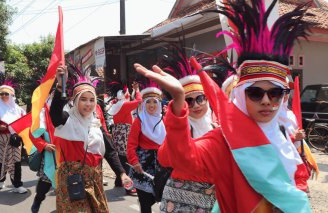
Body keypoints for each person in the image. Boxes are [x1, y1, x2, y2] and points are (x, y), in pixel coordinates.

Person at [133, 0, 313, 212]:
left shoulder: (281, 132)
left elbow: (299, 176)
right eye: (255, 93)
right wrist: (179, 103)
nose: (266, 101)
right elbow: (183, 159)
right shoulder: (224, 140)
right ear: (240, 94)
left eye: (275, 93)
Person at [158, 48, 216, 212]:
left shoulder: (216, 126)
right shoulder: (179, 127)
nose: (196, 105)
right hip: (181, 200)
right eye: (189, 101)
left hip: (213, 199)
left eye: (200, 98)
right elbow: (164, 159)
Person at [50, 64, 109, 212]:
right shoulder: (66, 121)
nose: (88, 104)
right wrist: (60, 85)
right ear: (75, 101)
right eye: (83, 99)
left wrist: (121, 173)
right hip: (72, 179)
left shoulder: (95, 122)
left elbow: (110, 150)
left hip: (94, 179)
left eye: (91, 100)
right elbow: (55, 115)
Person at [126, 85, 165, 213]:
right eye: (148, 102)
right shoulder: (139, 121)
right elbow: (131, 144)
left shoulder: (164, 121)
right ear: (144, 103)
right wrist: (134, 161)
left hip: (162, 165)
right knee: (145, 201)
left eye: (155, 101)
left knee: (161, 197)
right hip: (142, 165)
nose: (151, 105)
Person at [0, 81, 27, 193]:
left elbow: (24, 123)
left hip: (14, 139)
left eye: (6, 94)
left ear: (12, 95)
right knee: (1, 161)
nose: (4, 96)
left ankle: (17, 185)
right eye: (1, 94)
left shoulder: (19, 110)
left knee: (16, 161)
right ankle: (1, 180)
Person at [107, 82, 141, 192]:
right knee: (127, 159)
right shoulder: (124, 105)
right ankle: (129, 186)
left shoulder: (116, 104)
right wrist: (137, 90)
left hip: (118, 132)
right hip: (125, 132)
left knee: (121, 158)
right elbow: (139, 101)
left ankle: (118, 181)